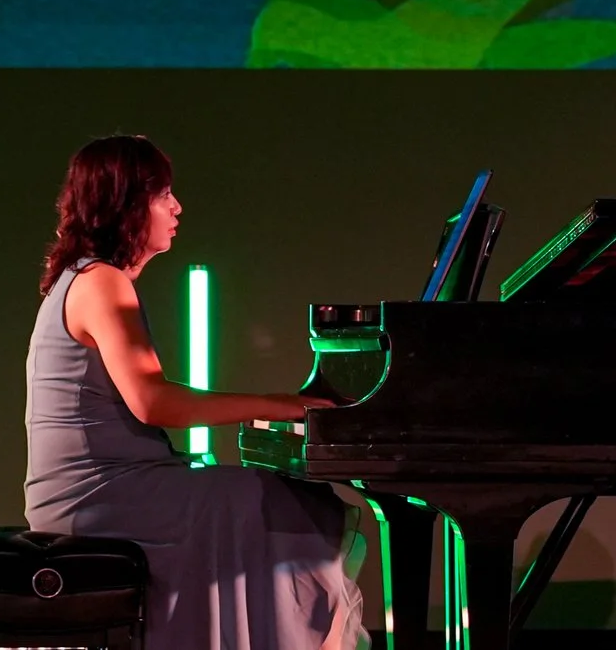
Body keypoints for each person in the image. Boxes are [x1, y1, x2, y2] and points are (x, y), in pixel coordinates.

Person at [25, 135, 365, 650]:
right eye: (163, 195)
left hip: (100, 489)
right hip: (97, 498)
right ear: (126, 204)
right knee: (272, 502)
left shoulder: (84, 279)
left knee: (279, 502)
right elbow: (154, 402)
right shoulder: (101, 282)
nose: (177, 207)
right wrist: (279, 405)